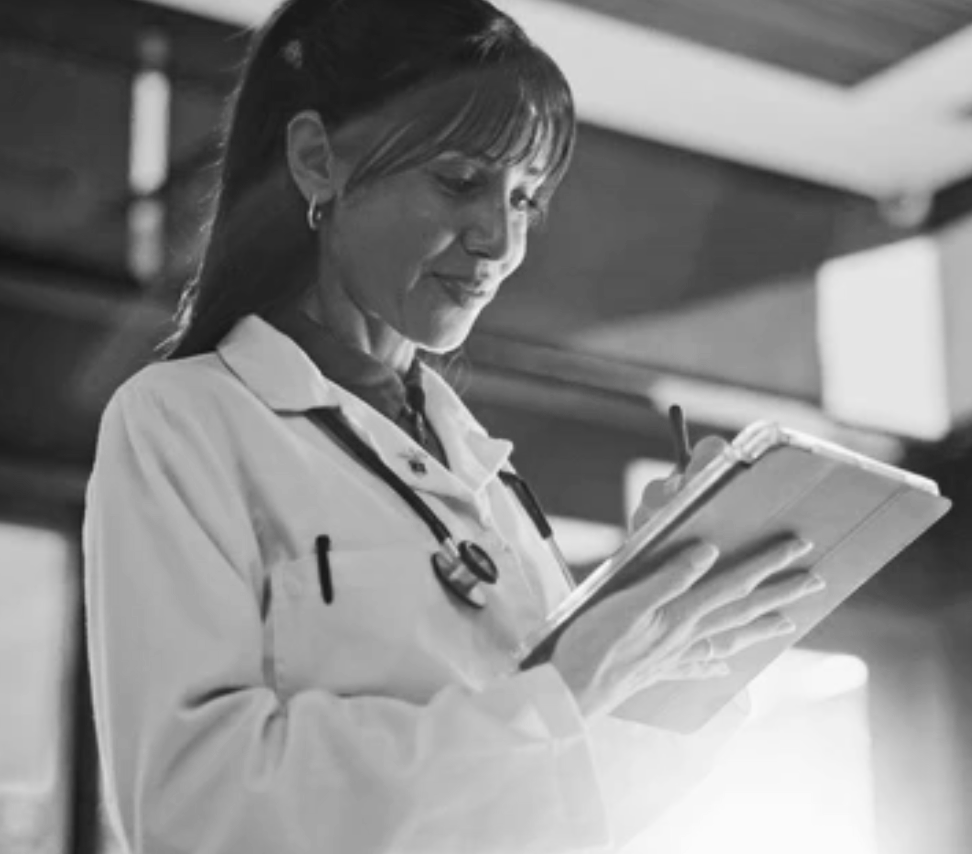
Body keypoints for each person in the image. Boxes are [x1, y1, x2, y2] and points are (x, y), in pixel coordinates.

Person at [83, 1, 824, 852]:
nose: (500, 239)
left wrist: (660, 613)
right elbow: (194, 816)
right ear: (318, 159)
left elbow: (584, 810)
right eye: (461, 181)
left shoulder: (481, 470)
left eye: (525, 196)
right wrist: (560, 688)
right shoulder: (185, 420)